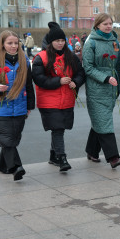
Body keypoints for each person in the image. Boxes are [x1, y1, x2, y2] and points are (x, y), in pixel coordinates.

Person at [32, 23, 85, 172]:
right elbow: (39, 79)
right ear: (50, 42)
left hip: (67, 99)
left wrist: (76, 82)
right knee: (58, 129)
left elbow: (81, 73)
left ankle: (53, 156)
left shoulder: (71, 56)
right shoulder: (40, 58)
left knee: (58, 128)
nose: (60, 43)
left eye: (62, 40)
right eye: (57, 41)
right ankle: (62, 158)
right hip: (49, 100)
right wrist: (58, 81)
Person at [0, 31, 35, 181]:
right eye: (9, 43)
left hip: (20, 106)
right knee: (6, 138)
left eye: (15, 43)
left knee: (14, 138)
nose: (13, 46)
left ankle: (1, 164)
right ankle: (15, 167)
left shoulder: (24, 59)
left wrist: (30, 105)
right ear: (3, 45)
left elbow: (28, 84)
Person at [83, 13, 120, 168]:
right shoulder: (90, 43)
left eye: (110, 24)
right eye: (105, 24)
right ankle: (113, 157)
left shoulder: (115, 41)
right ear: (97, 25)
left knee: (100, 121)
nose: (108, 26)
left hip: (112, 88)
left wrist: (117, 84)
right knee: (104, 121)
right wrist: (105, 78)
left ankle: (92, 151)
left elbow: (118, 65)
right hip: (97, 89)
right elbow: (88, 67)